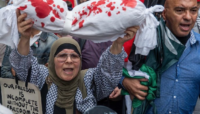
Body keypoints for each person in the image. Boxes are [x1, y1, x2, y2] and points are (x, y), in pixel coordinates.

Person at [9, 10, 139, 114]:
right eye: (62, 56)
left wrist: (118, 43)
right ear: (52, 61)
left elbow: (108, 75)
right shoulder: (42, 76)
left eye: (74, 56)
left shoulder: (88, 80)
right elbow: (22, 67)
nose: (69, 61)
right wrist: (25, 38)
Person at [122, 0, 200, 113]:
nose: (188, 17)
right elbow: (107, 72)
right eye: (180, 10)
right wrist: (124, 81)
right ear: (164, 13)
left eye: (193, 10)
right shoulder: (145, 41)